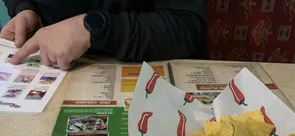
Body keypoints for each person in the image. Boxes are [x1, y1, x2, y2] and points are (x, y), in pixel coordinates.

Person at [0, 0, 206, 70]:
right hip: (50, 68)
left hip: (142, 68)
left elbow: (188, 26)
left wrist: (91, 28)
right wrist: (25, 9)